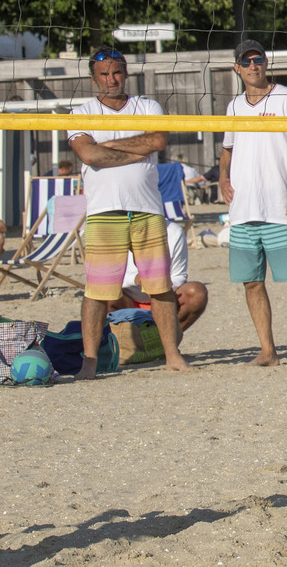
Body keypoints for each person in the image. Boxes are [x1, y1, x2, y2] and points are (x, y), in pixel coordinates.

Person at [67, 47, 190, 376]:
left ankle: (172, 355)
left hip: (147, 210)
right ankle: (90, 362)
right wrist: (136, 149)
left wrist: (107, 145)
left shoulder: (147, 106)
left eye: (117, 72)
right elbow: (89, 156)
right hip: (105, 211)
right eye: (104, 74)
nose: (111, 79)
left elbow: (158, 142)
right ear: (93, 79)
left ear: (126, 73)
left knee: (160, 286)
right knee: (96, 291)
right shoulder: (81, 112)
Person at [220, 40, 287, 368]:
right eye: (246, 61)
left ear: (265, 62)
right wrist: (222, 178)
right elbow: (228, 148)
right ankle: (268, 350)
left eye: (257, 59)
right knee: (251, 282)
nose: (252, 66)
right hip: (243, 208)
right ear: (237, 68)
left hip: (279, 205)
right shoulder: (234, 105)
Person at [115, 208, 209, 333]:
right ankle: (125, 343)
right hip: (128, 301)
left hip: (165, 298)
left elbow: (179, 276)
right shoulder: (117, 229)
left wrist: (162, 285)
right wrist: (137, 279)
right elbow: (106, 277)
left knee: (197, 292)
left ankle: (168, 339)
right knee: (106, 295)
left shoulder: (173, 231)